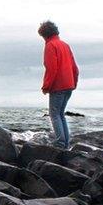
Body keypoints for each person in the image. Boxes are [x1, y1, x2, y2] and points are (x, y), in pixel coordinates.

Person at [39, 20, 79, 149]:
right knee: (61, 114)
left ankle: (60, 143)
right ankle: (65, 143)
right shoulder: (65, 45)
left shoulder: (51, 45)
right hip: (69, 85)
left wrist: (46, 86)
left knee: (54, 114)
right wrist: (74, 83)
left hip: (58, 86)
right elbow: (75, 68)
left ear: (44, 35)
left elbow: (52, 68)